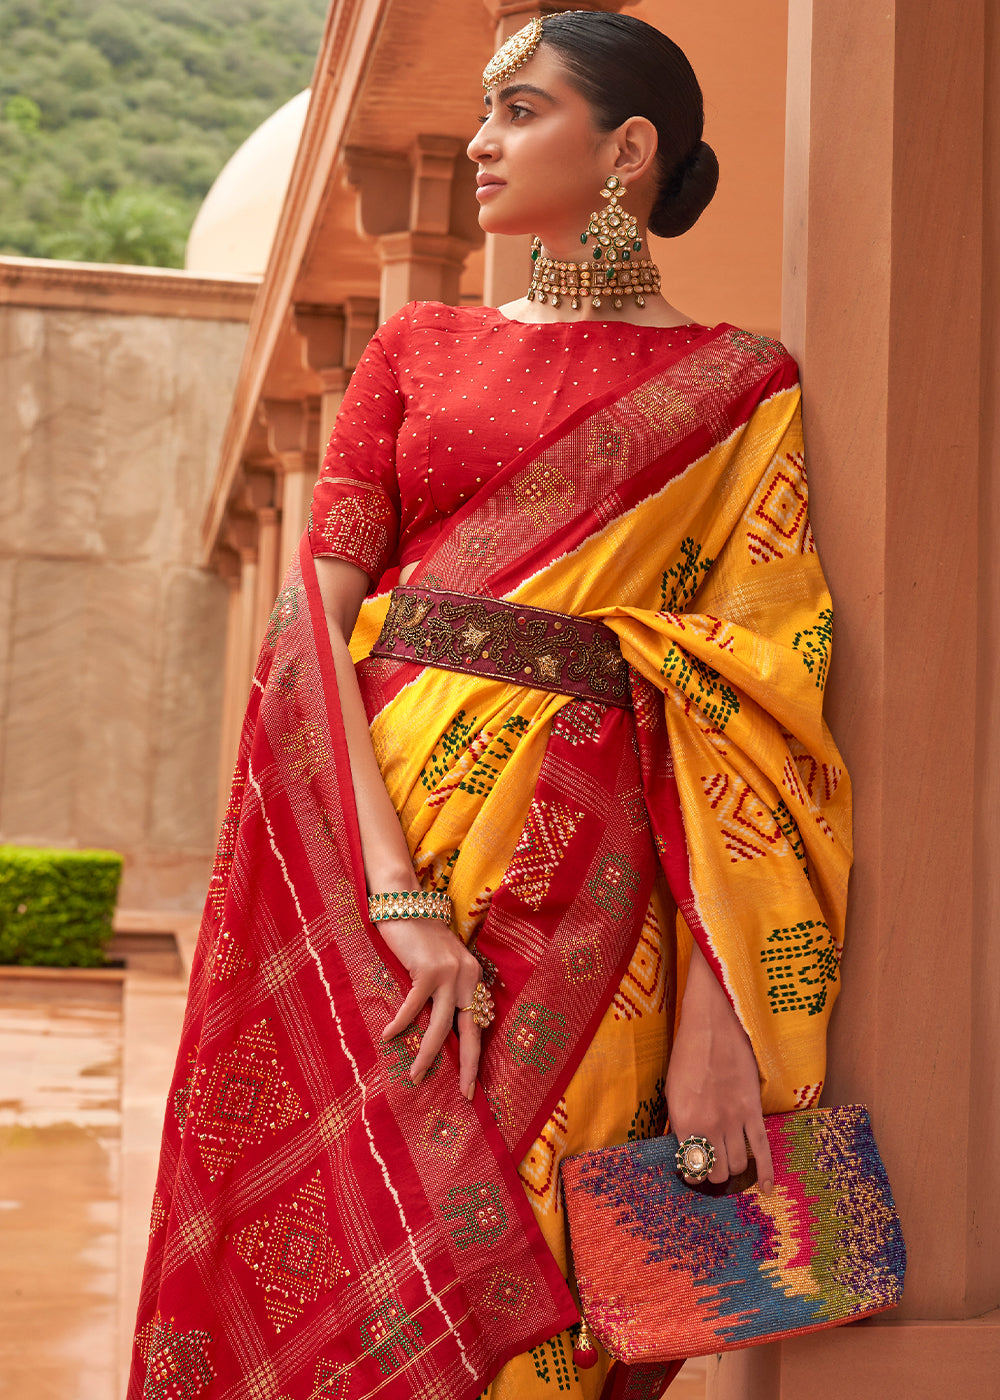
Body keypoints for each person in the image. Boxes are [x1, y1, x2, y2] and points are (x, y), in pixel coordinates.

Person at [129, 13, 851, 1400]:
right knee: (342, 1250)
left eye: (521, 110)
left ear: (625, 151)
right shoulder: (419, 348)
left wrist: (722, 1023)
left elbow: (753, 707)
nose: (480, 139)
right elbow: (312, 626)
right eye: (484, 112)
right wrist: (391, 897)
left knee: (554, 1282)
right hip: (373, 848)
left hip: (600, 902)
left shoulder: (740, 387)